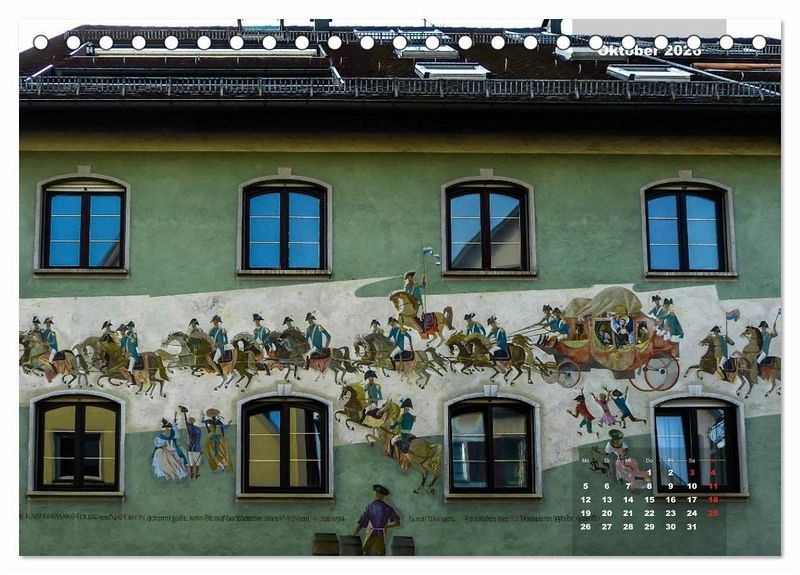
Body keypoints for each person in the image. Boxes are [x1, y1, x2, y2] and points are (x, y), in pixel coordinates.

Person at [353, 484, 401, 556]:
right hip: (381, 536)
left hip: (371, 535)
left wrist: (354, 534)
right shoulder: (388, 508)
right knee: (380, 554)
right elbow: (397, 523)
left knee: (366, 553)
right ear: (383, 496)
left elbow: (361, 523)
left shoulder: (369, 507)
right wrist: (386, 526)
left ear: (375, 494)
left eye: (375, 493)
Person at [152, 416, 188, 480]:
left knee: (179, 458)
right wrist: (166, 450)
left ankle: (179, 471)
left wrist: (174, 425)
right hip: (166, 451)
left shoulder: (173, 434)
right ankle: (170, 473)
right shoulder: (161, 437)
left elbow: (176, 434)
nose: (167, 429)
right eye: (166, 428)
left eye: (168, 428)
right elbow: (160, 445)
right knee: (167, 459)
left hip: (174, 449)